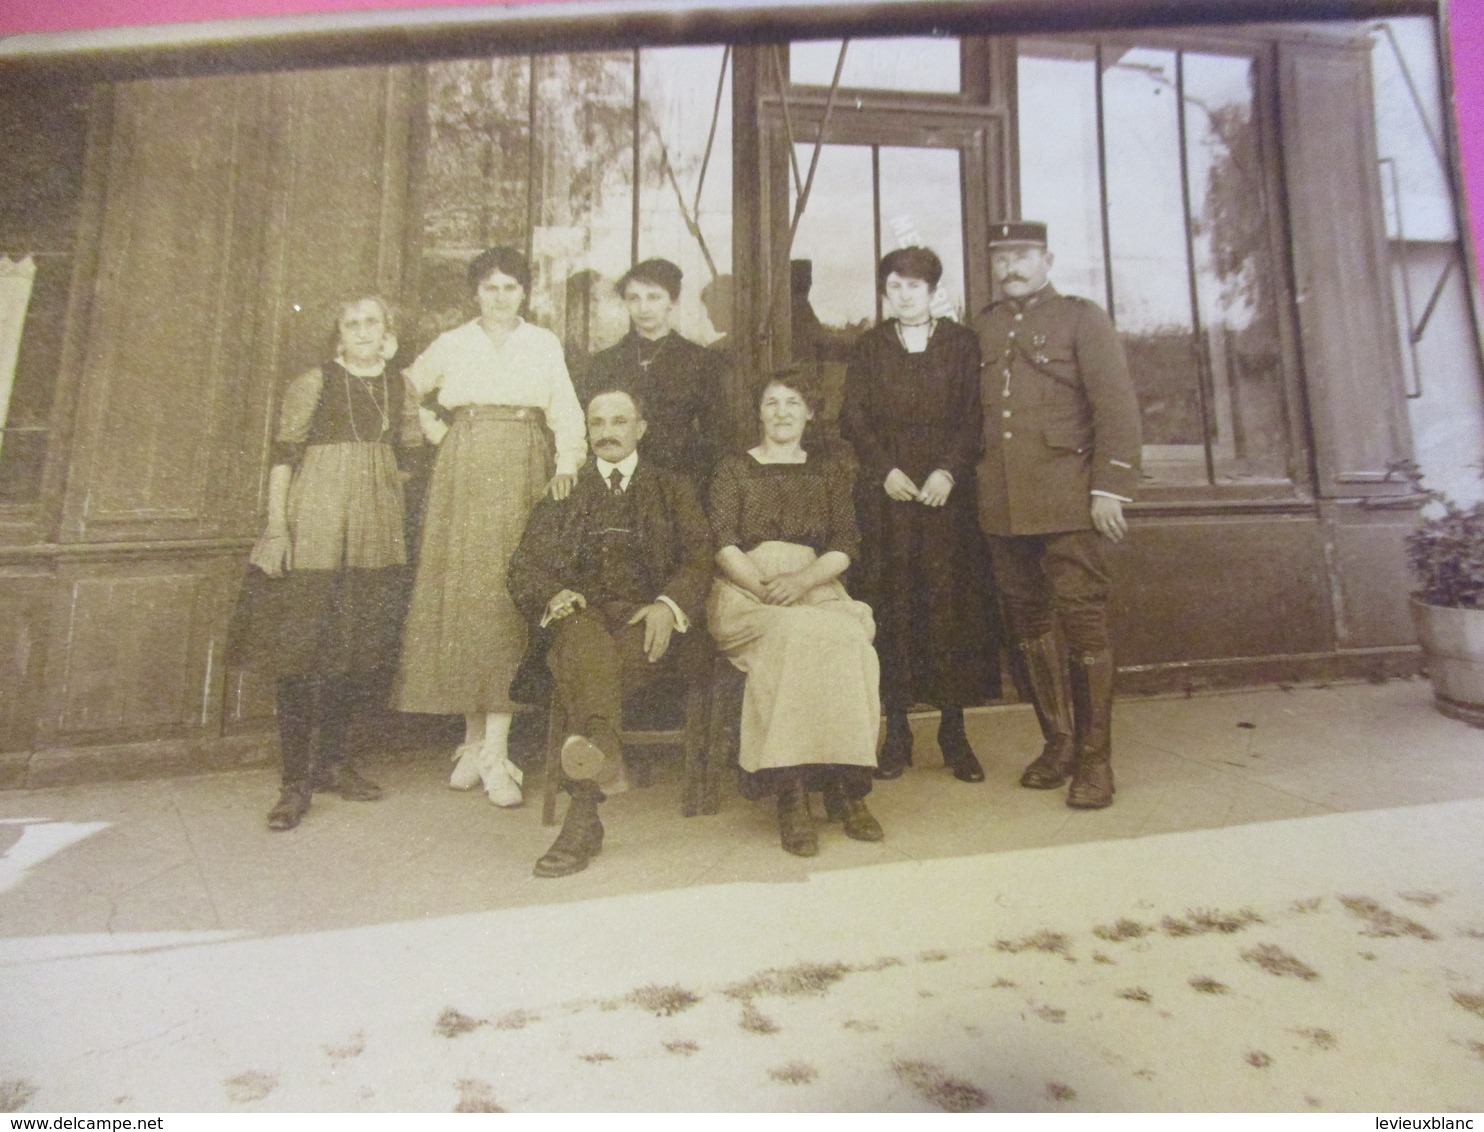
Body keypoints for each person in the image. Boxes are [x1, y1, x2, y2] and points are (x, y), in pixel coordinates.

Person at [393, 246, 586, 808]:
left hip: (524, 466)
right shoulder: (453, 344)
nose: (499, 297)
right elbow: (404, 388)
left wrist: (567, 464)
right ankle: (474, 743)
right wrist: (436, 430)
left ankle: (496, 750)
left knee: (506, 598)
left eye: (509, 287)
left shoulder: (543, 343)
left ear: (524, 293)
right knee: (467, 600)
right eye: (489, 287)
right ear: (475, 293)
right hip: (464, 469)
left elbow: (566, 409)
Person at [227, 295, 422, 831]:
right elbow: (283, 459)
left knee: (356, 649)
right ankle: (294, 782)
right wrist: (277, 526)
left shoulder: (399, 385)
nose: (362, 331)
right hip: (315, 522)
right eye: (351, 324)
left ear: (387, 332)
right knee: (300, 652)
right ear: (338, 335)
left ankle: (333, 763)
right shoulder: (315, 382)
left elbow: (407, 461)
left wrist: (378, 500)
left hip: (373, 530)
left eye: (372, 323)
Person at [507, 387, 715, 878]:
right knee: (583, 643)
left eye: (619, 421)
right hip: (581, 620)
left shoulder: (671, 487)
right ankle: (586, 805)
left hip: (644, 623)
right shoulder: (566, 490)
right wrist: (553, 595)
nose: (607, 432)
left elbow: (700, 555)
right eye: (596, 423)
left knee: (595, 661)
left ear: (640, 428)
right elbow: (523, 566)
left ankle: (585, 810)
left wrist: (668, 605)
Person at [973, 221, 1141, 809]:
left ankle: (1096, 762)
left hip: (1070, 500)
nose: (1011, 266)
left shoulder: (1081, 318)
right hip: (1002, 506)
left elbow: (1115, 406)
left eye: (1022, 255)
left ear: (1046, 258)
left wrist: (1111, 488)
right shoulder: (985, 326)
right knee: (1027, 626)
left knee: (1084, 623)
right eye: (1002, 257)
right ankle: (1059, 744)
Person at [840, 246, 1001, 784]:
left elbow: (975, 416)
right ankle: (899, 733)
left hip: (944, 503)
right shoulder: (869, 347)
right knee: (891, 609)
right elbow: (855, 417)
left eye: (914, 286)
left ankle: (953, 733)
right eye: (895, 286)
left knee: (948, 612)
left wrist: (948, 473)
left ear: (933, 292)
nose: (904, 295)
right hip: (888, 500)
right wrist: (883, 471)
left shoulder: (961, 344)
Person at [707, 369, 883, 857]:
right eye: (771, 403)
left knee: (849, 642)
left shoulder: (827, 470)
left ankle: (846, 788)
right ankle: (792, 794)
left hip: (813, 582)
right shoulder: (733, 468)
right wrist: (764, 587)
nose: (781, 412)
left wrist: (803, 582)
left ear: (809, 413)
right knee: (793, 638)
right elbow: (722, 542)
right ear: (758, 412)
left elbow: (846, 543)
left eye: (792, 403)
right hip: (748, 589)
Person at [579, 257, 727, 481]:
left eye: (654, 297)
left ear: (672, 300)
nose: (644, 308)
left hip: (679, 479)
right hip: (618, 479)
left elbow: (715, 434)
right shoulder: (605, 362)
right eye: (634, 298)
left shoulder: (700, 361)